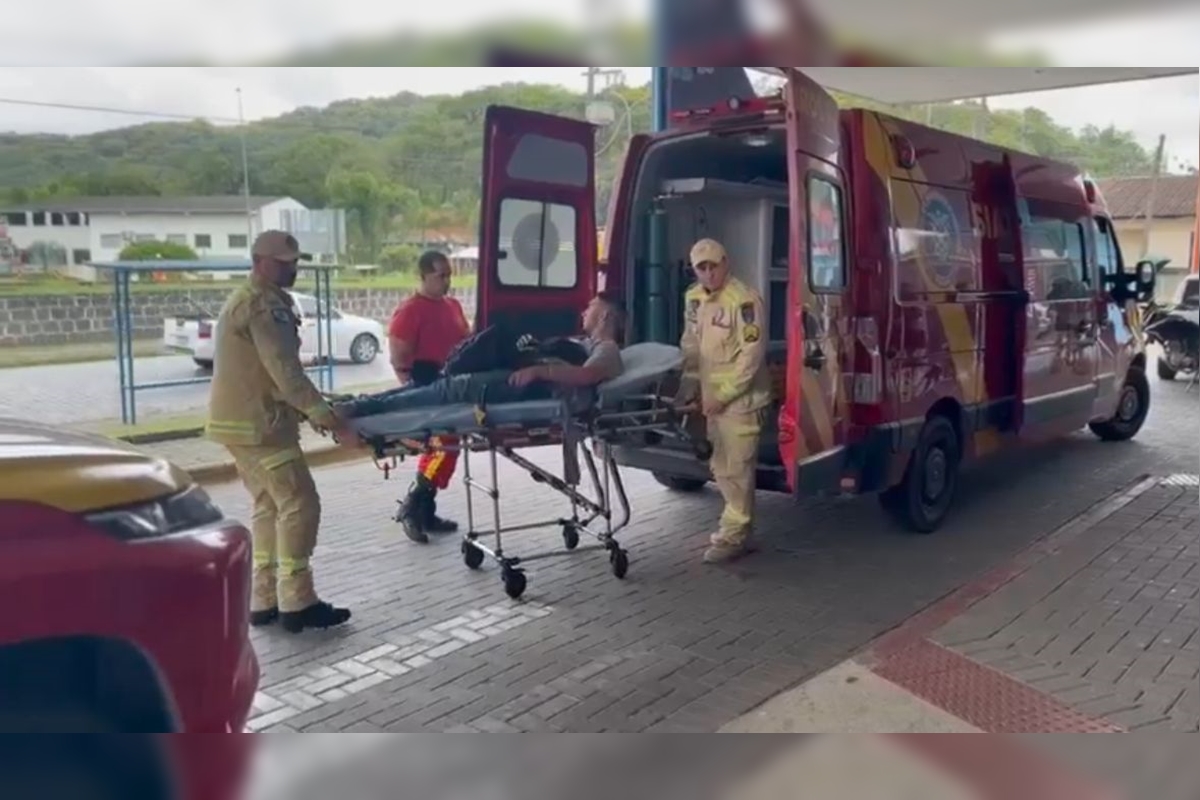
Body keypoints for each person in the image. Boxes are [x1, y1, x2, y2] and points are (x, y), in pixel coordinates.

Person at [205, 230, 356, 634]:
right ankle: (298, 601)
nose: (293, 268)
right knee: (300, 504)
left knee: (270, 507)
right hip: (263, 427)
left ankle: (265, 598)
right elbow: (285, 372)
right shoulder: (264, 306)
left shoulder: (248, 299)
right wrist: (327, 417)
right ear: (260, 261)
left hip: (240, 425)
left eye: (295, 261)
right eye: (285, 262)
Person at [338, 292, 625, 417]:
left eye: (591, 307)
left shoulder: (608, 350)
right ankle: (360, 402)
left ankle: (361, 408)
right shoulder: (586, 344)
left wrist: (539, 371)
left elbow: (587, 375)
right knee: (439, 384)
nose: (584, 311)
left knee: (449, 389)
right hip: (522, 379)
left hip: (530, 388)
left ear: (606, 317)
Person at [678, 238, 772, 564]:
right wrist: (689, 387)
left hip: (742, 402)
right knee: (722, 467)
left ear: (725, 263)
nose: (707, 273)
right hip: (713, 401)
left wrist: (724, 395)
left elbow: (752, 355)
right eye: (700, 268)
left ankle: (733, 536)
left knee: (736, 469)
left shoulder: (744, 300)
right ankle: (741, 530)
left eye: (712, 266)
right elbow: (691, 346)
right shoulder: (693, 299)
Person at [388, 251, 472, 543]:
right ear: (424, 276)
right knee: (440, 449)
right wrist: (415, 394)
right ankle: (413, 507)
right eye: (441, 276)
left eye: (449, 275)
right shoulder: (410, 311)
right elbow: (399, 356)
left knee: (448, 450)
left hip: (454, 386)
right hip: (427, 387)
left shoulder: (453, 306)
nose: (447, 281)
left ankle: (426, 510)